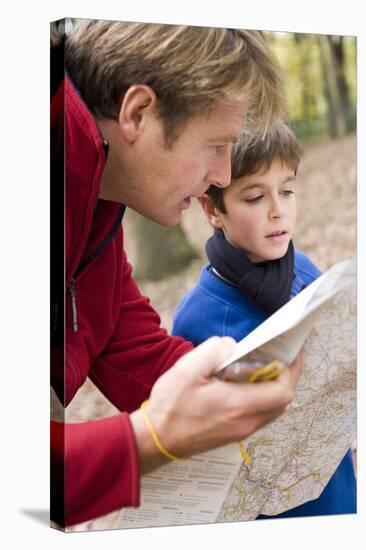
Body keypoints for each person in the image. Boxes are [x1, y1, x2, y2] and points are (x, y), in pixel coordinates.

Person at [50, 20, 304, 528]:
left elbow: (136, 351)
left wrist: (249, 383)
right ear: (138, 113)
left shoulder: (98, 209)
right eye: (216, 145)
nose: (224, 176)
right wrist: (152, 437)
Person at [172, 120, 356, 517]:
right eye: (255, 197)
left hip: (336, 496)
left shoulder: (305, 271)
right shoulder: (197, 319)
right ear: (212, 209)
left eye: (287, 191)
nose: (278, 211)